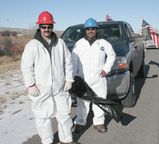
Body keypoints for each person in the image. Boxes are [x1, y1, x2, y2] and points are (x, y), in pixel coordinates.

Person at [21, 11, 80, 144]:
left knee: (64, 115)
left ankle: (66, 139)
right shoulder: (32, 46)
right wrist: (30, 84)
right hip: (40, 89)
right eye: (44, 26)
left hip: (59, 87)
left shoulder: (60, 43)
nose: (46, 29)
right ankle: (47, 141)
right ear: (39, 27)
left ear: (52, 26)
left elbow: (68, 62)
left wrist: (69, 78)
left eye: (49, 26)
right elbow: (26, 67)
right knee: (43, 117)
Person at [72, 18, 116, 133]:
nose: (90, 31)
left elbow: (112, 55)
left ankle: (99, 123)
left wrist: (106, 69)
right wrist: (74, 76)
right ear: (85, 30)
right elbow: (74, 60)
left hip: (99, 79)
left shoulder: (103, 43)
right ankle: (80, 123)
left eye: (93, 29)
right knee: (82, 103)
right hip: (83, 79)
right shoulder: (79, 44)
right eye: (88, 29)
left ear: (96, 30)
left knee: (99, 101)